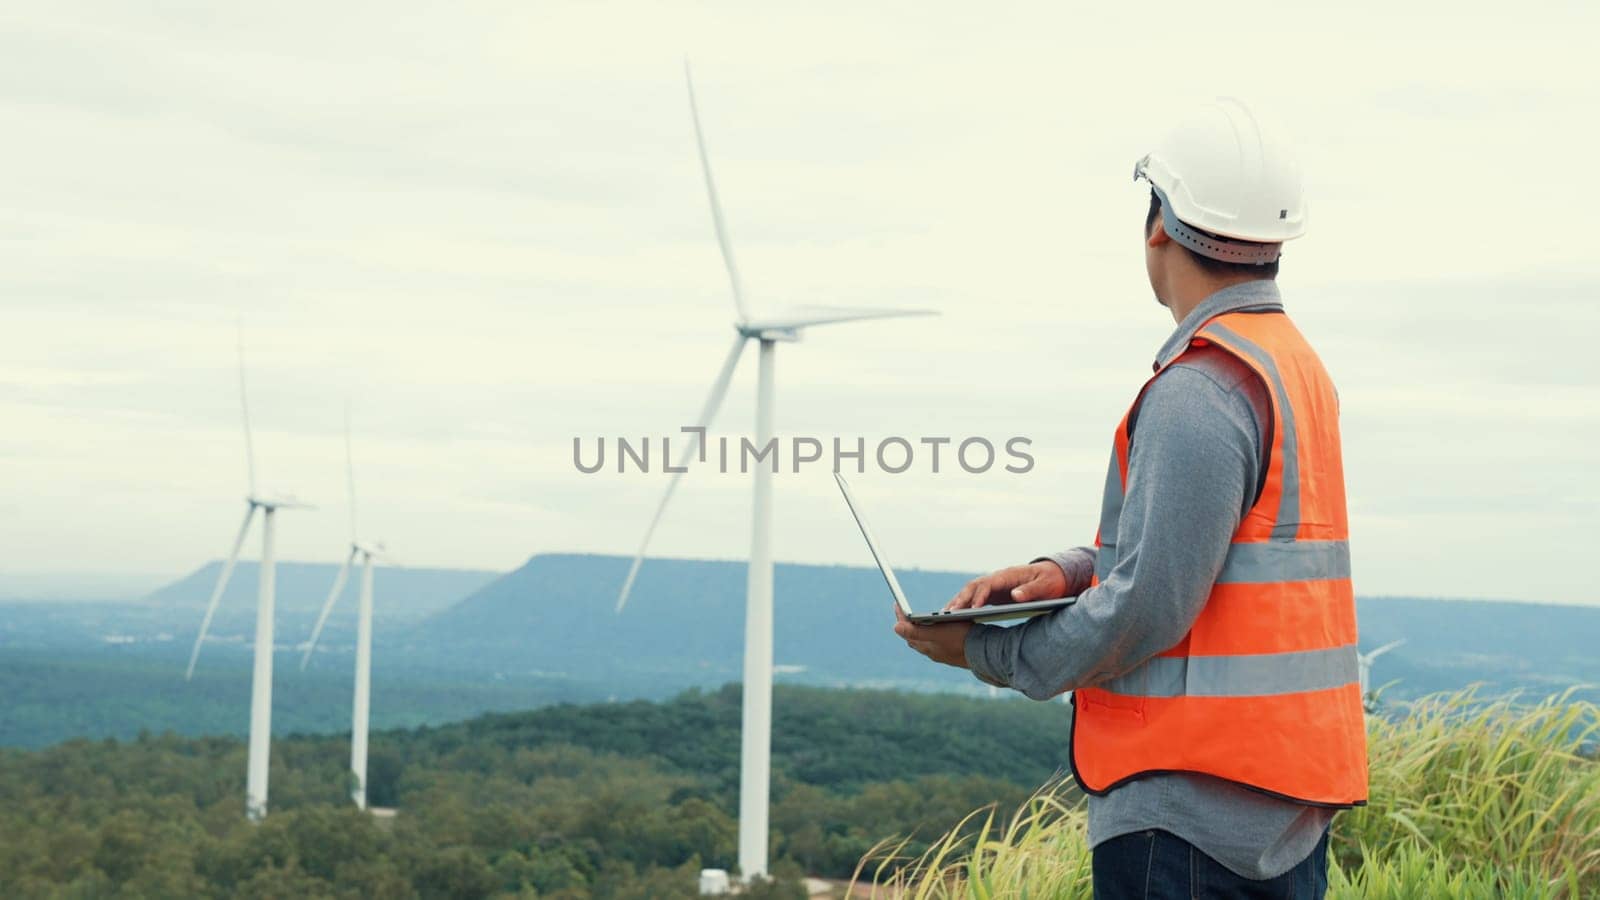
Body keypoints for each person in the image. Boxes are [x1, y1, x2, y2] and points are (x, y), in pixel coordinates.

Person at [891, 99, 1366, 899]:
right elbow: (1228, 553)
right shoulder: (1294, 370)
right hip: (1282, 813)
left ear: (1158, 224)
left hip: (1183, 823)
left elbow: (1150, 606)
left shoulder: (1201, 390)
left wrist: (986, 652)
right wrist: (1068, 570)